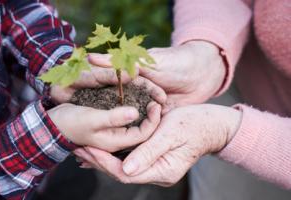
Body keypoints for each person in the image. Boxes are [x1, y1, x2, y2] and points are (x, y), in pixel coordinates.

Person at [0, 0, 167, 199]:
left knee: (76, 185)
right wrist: (47, 135)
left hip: (51, 154)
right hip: (2, 172)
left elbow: (19, 7)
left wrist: (59, 66)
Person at [76, 0, 291, 198]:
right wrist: (205, 52)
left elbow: (215, 129)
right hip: (233, 82)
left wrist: (230, 133)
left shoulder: (216, 126)